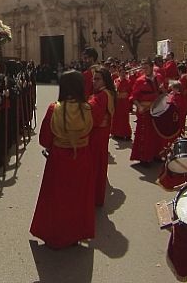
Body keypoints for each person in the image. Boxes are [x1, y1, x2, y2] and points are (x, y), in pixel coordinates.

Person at [30, 70, 94, 248]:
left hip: (58, 158)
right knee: (78, 197)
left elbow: (44, 139)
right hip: (81, 157)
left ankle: (55, 236)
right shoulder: (88, 108)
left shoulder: (54, 108)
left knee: (57, 198)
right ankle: (75, 235)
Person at [88, 67, 115, 207]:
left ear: (105, 80)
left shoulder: (102, 96)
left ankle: (94, 197)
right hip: (100, 133)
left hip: (97, 134)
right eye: (94, 78)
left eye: (97, 79)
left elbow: (94, 117)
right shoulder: (104, 93)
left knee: (95, 165)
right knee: (99, 164)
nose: (94, 81)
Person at [130, 59, 164, 164]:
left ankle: (157, 154)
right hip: (145, 111)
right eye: (143, 68)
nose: (144, 70)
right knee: (145, 135)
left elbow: (163, 91)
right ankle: (144, 158)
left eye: (146, 67)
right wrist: (139, 106)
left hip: (157, 109)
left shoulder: (158, 78)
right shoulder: (140, 81)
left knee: (157, 134)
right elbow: (133, 97)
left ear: (152, 67)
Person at [111, 66, 132, 140]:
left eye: (124, 72)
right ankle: (117, 133)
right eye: (121, 72)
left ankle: (126, 133)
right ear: (119, 73)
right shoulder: (116, 81)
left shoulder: (128, 81)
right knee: (116, 118)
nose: (123, 74)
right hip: (117, 102)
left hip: (124, 102)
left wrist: (124, 95)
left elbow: (130, 92)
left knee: (124, 118)